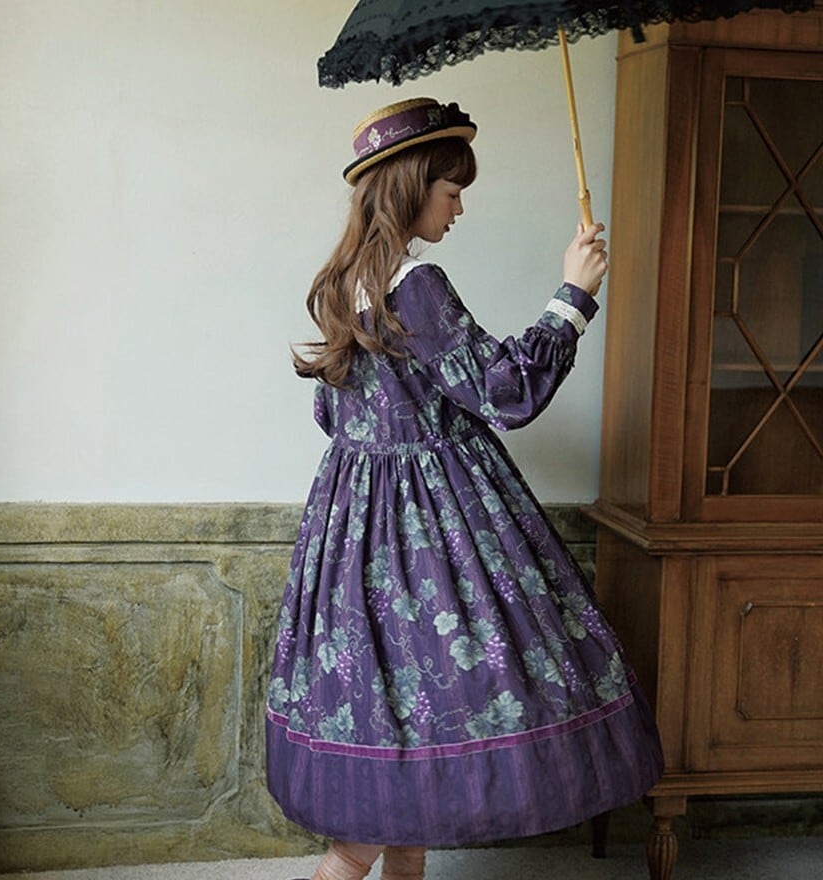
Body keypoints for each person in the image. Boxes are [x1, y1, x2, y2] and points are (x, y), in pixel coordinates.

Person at [266, 97, 663, 880]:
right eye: (451, 191)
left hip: (351, 537)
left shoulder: (347, 281)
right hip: (428, 540)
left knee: (402, 761)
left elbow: (332, 412)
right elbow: (502, 390)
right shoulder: (416, 284)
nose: (459, 208)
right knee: (373, 818)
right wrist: (573, 294)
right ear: (412, 188)